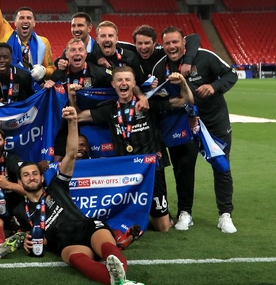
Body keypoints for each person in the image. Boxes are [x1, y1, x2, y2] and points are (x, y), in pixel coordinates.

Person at [12, 106, 148, 285]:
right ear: (20, 182)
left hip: (86, 226)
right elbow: (28, 235)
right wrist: (27, 241)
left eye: (35, 173)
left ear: (42, 178)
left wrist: (73, 122)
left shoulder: (57, 185)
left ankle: (119, 268)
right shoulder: (20, 211)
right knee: (78, 261)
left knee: (107, 249)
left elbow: (71, 153)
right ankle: (123, 284)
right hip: (64, 242)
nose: (32, 177)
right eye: (26, 175)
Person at [69, 66, 195, 232]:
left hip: (151, 169)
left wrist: (183, 83)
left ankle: (153, 215)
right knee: (122, 220)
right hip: (125, 173)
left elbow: (187, 101)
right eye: (119, 80)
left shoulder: (148, 104)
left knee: (163, 227)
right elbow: (77, 117)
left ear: (134, 83)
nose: (124, 83)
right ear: (113, 84)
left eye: (127, 80)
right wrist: (72, 97)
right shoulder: (109, 109)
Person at [153, 26, 239, 233]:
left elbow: (231, 74)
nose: (172, 46)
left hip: (214, 121)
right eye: (167, 43)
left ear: (184, 42)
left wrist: (214, 86)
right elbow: (156, 99)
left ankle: (225, 214)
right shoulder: (160, 67)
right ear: (162, 45)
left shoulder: (205, 57)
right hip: (184, 124)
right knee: (183, 168)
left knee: (221, 165)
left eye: (175, 42)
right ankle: (185, 212)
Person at [132, 25, 200, 232]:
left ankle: (185, 211)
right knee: (155, 169)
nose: (144, 47)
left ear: (156, 43)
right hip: (151, 124)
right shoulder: (130, 55)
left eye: (148, 43)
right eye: (140, 43)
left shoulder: (163, 54)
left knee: (183, 168)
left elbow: (194, 38)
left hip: (175, 121)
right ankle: (157, 210)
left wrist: (187, 61)